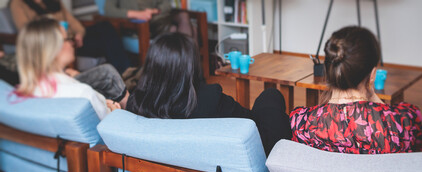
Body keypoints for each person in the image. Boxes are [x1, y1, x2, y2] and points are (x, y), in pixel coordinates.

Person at [126, 32, 291, 155]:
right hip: (255, 153)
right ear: (191, 66)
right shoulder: (209, 98)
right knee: (271, 95)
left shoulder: (137, 102)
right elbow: (249, 123)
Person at [290, 26, 422, 153]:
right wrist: (373, 95)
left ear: (328, 70)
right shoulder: (405, 121)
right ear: (372, 74)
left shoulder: (300, 123)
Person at [15, 16, 125, 120]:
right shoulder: (83, 94)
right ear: (53, 49)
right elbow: (113, 125)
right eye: (67, 38)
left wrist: (102, 103)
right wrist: (114, 110)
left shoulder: (25, 94)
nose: (72, 43)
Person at [10, 0, 131, 74]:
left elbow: (73, 22)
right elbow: (28, 32)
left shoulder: (54, 1)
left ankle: (123, 71)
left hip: (73, 41)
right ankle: (122, 72)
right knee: (106, 43)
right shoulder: (18, 4)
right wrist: (61, 37)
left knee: (104, 26)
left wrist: (79, 34)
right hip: (54, 45)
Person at [104, 0, 196, 40]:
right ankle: (188, 72)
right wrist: (138, 14)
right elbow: (109, 10)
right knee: (176, 30)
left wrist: (153, 11)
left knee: (184, 16)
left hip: (158, 17)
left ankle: (191, 72)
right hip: (140, 24)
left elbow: (166, 4)